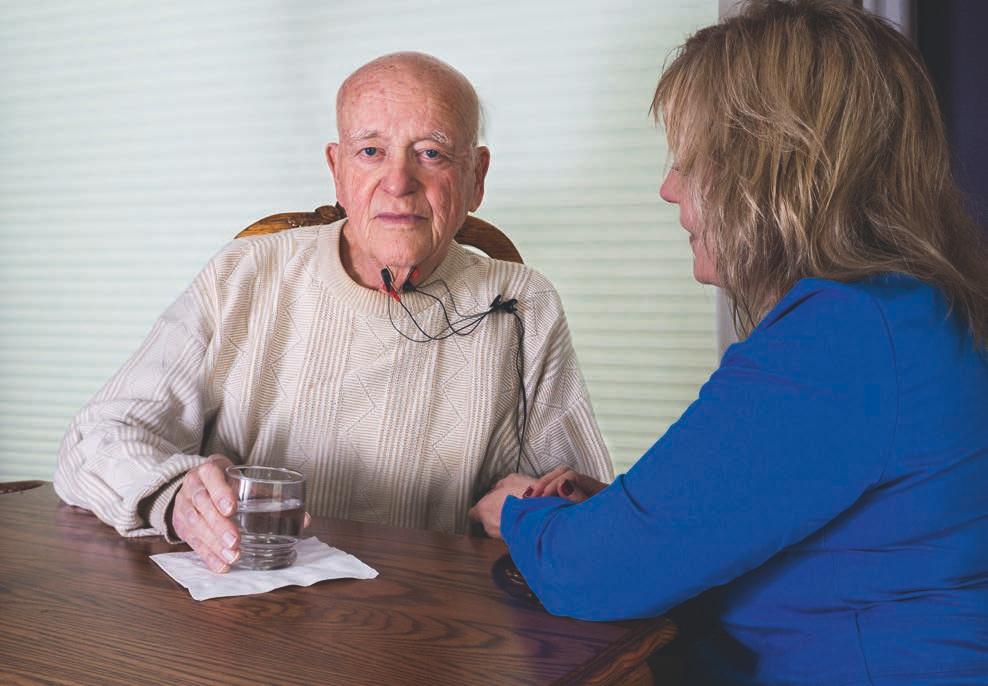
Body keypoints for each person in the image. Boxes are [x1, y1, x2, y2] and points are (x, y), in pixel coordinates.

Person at [469, 1, 988, 683]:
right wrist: (614, 514)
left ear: (773, 171)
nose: (666, 188)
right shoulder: (909, 310)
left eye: (690, 161)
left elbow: (595, 577)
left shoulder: (840, 339)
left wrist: (517, 515)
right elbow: (758, 520)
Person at [54, 52, 612, 574]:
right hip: (249, 607)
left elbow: (586, 510)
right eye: (371, 151)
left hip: (435, 623)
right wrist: (176, 497)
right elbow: (96, 439)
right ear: (337, 169)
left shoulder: (522, 303)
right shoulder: (245, 274)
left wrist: (541, 507)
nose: (398, 182)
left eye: (432, 153)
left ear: (477, 177)